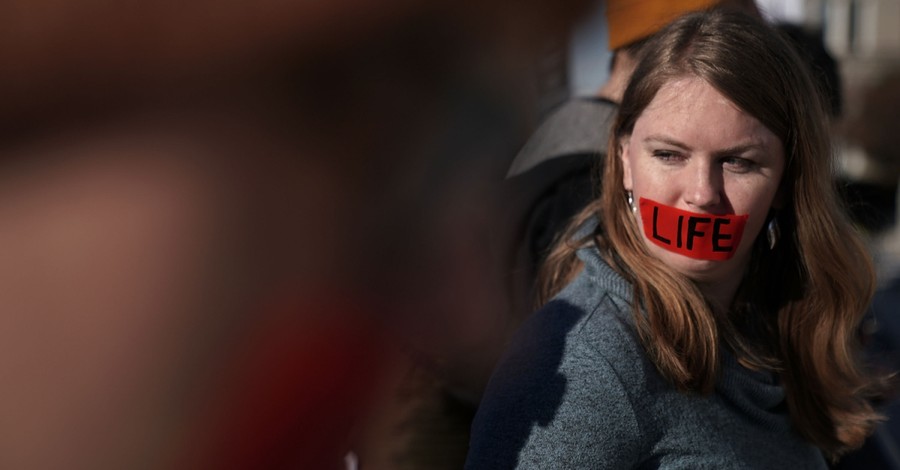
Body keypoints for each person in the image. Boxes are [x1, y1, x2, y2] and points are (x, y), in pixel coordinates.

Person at [467, 9, 883, 468]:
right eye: (669, 155)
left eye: (738, 162)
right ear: (625, 159)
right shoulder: (587, 363)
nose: (702, 194)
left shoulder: (779, 327)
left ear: (786, 181)